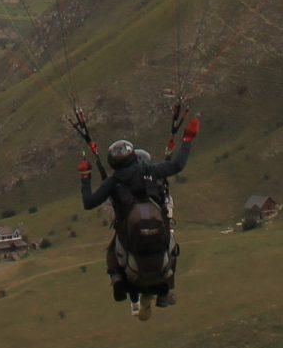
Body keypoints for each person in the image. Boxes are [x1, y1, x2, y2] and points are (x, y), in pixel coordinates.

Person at [79, 112, 199, 314]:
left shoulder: (113, 182)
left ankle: (116, 277)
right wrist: (187, 139)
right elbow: (178, 165)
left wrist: (85, 177)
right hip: (158, 230)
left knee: (111, 250)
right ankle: (166, 290)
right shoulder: (151, 171)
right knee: (172, 247)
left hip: (130, 234)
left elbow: (89, 203)